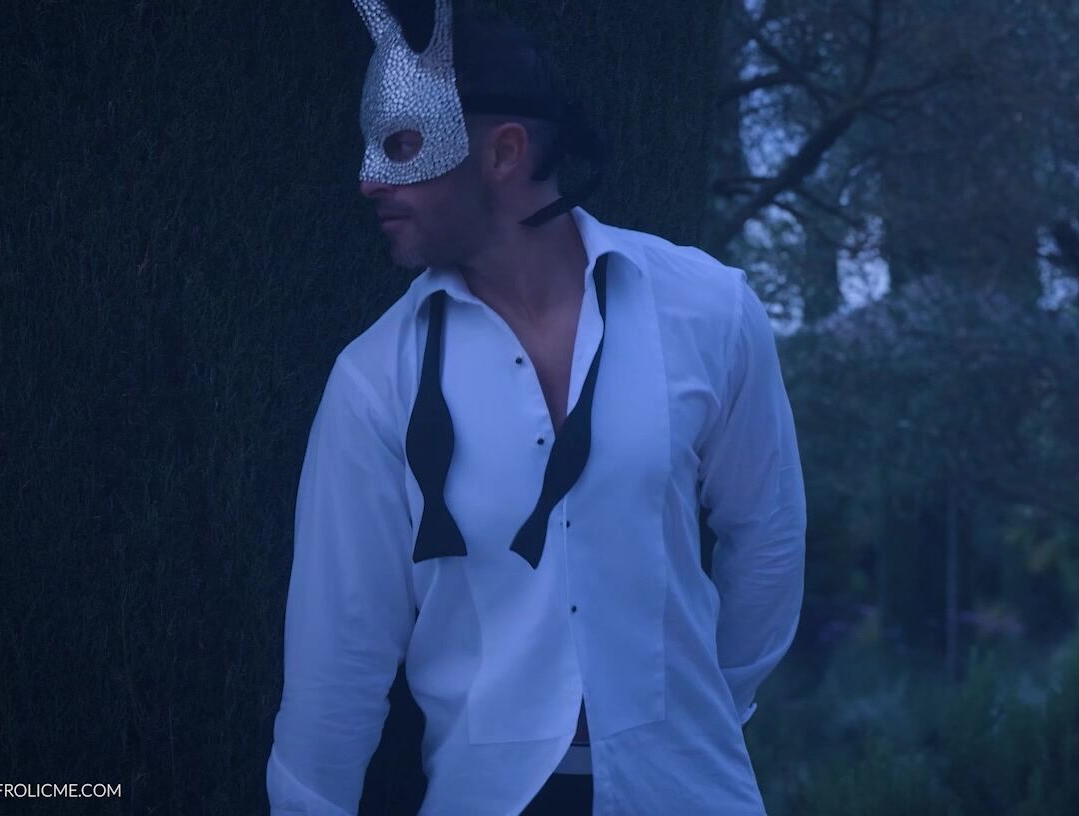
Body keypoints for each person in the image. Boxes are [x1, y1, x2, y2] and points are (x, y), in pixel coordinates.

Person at [264, 1, 806, 813]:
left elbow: (767, 539)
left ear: (503, 152)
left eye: (402, 145)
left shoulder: (708, 310)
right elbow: (337, 652)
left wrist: (693, 718)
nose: (370, 179)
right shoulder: (374, 380)